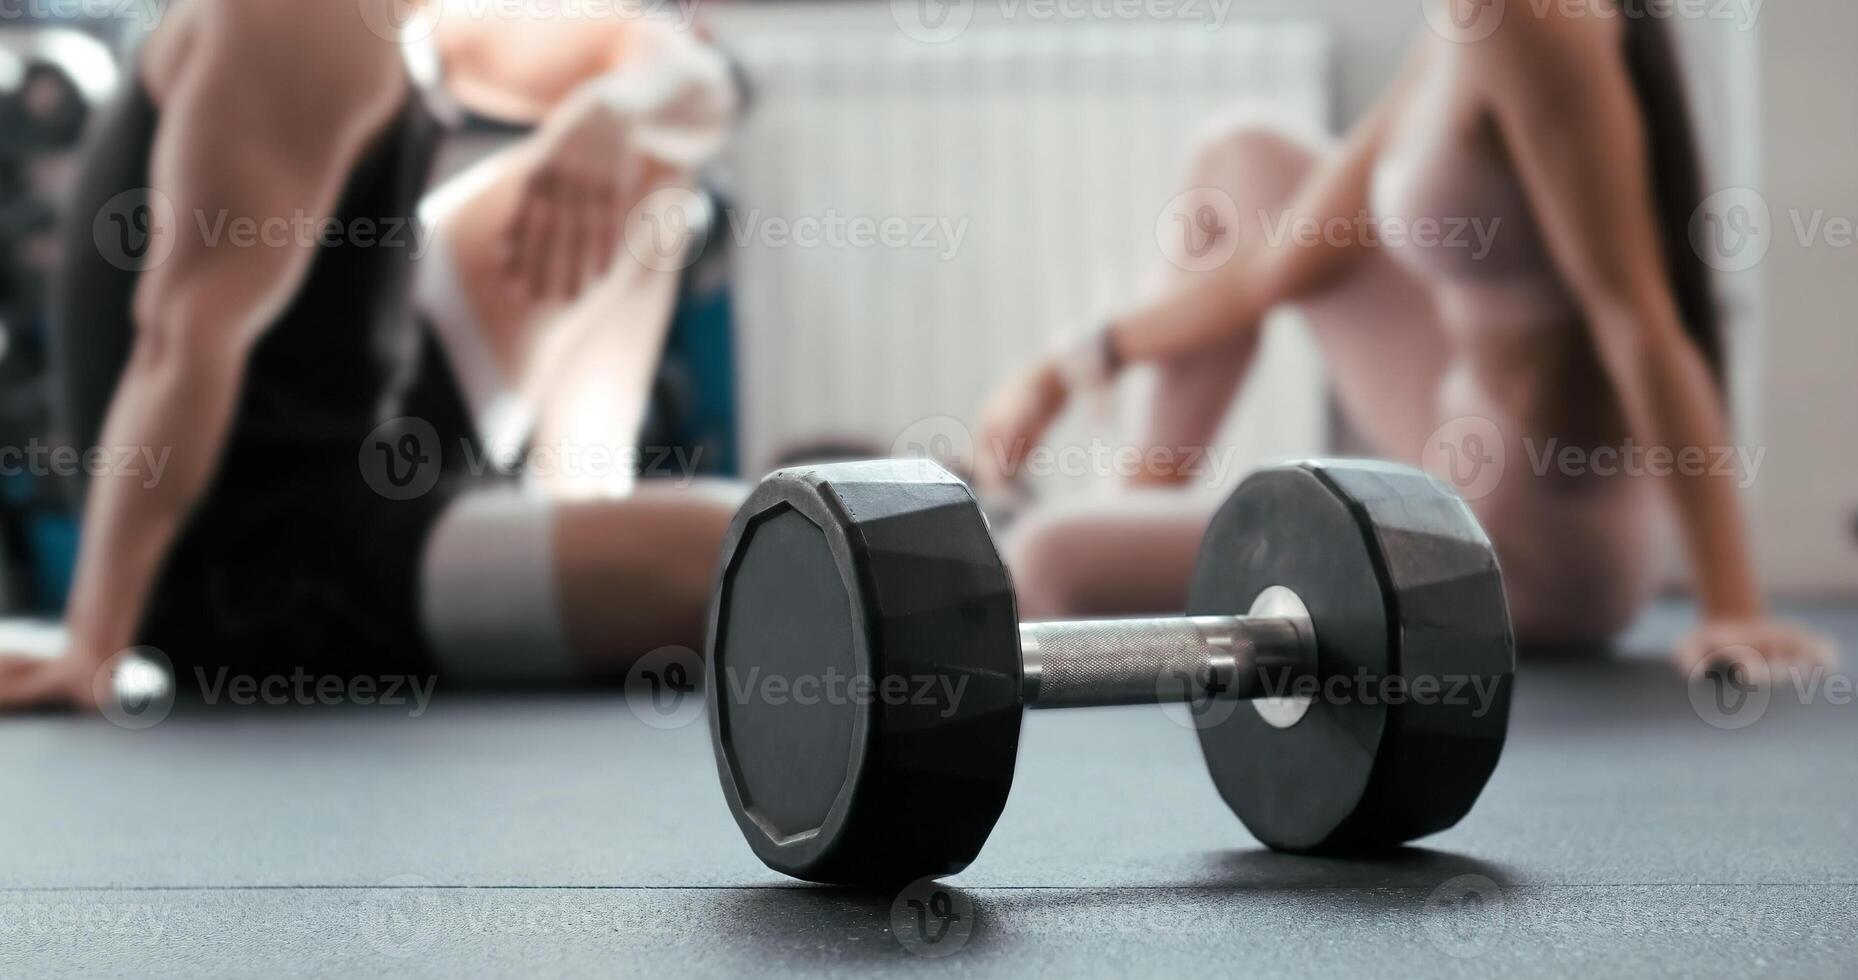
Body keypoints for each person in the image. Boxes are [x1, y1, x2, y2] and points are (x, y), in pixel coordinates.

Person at [975, 3, 1833, 675]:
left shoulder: (1534, 19)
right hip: (1457, 432)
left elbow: (1636, 318)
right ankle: (1141, 507)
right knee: (1239, 157)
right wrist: (1068, 365)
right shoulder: (1459, 20)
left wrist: (1731, 607)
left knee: (1043, 561)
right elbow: (1274, 269)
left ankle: (1115, 567)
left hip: (1529, 541)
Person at [0, 0, 741, 710]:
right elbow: (181, 345)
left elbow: (687, 76)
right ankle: (582, 570)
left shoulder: (422, 19)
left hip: (372, 436)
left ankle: (575, 517)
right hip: (263, 563)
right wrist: (96, 644)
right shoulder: (303, 18)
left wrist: (609, 113)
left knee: (649, 170)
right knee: (750, 555)